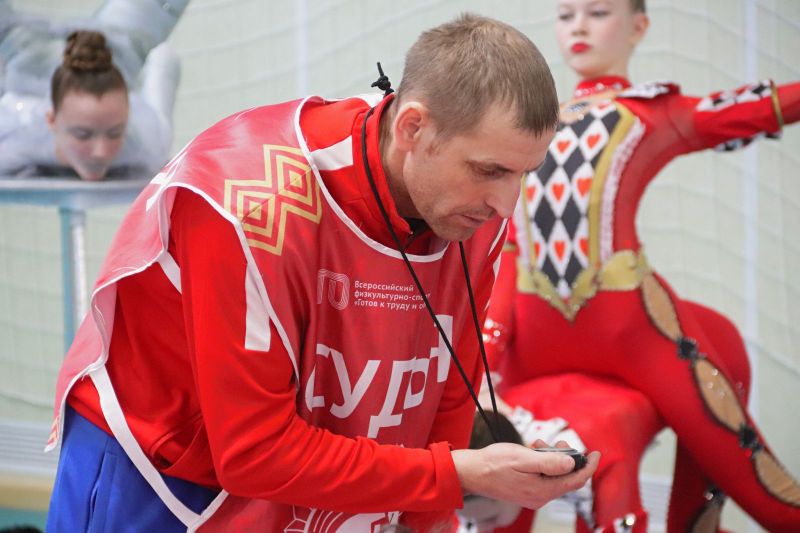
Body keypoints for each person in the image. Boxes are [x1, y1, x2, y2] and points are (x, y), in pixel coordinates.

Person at [45, 13, 600, 532]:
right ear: (413, 128)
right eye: (488, 170)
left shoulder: (466, 210)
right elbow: (254, 451)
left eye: (524, 173)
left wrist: (431, 513)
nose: (506, 204)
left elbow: (446, 400)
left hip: (297, 462)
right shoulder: (247, 204)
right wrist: (456, 474)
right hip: (158, 472)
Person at [482, 0, 800, 531]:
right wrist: (488, 346)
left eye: (598, 12)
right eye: (566, 15)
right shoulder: (532, 125)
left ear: (639, 26)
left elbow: (747, 109)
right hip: (535, 342)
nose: (579, 26)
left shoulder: (649, 111)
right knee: (491, 474)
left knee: (758, 483)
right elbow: (510, 243)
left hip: (629, 330)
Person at [0, 0, 185, 180]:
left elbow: (166, 62)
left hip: (113, 52)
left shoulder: (147, 142)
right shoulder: (17, 131)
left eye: (115, 133)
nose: (100, 152)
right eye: (83, 135)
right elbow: (165, 60)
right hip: (34, 57)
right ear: (51, 120)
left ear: (127, 119)